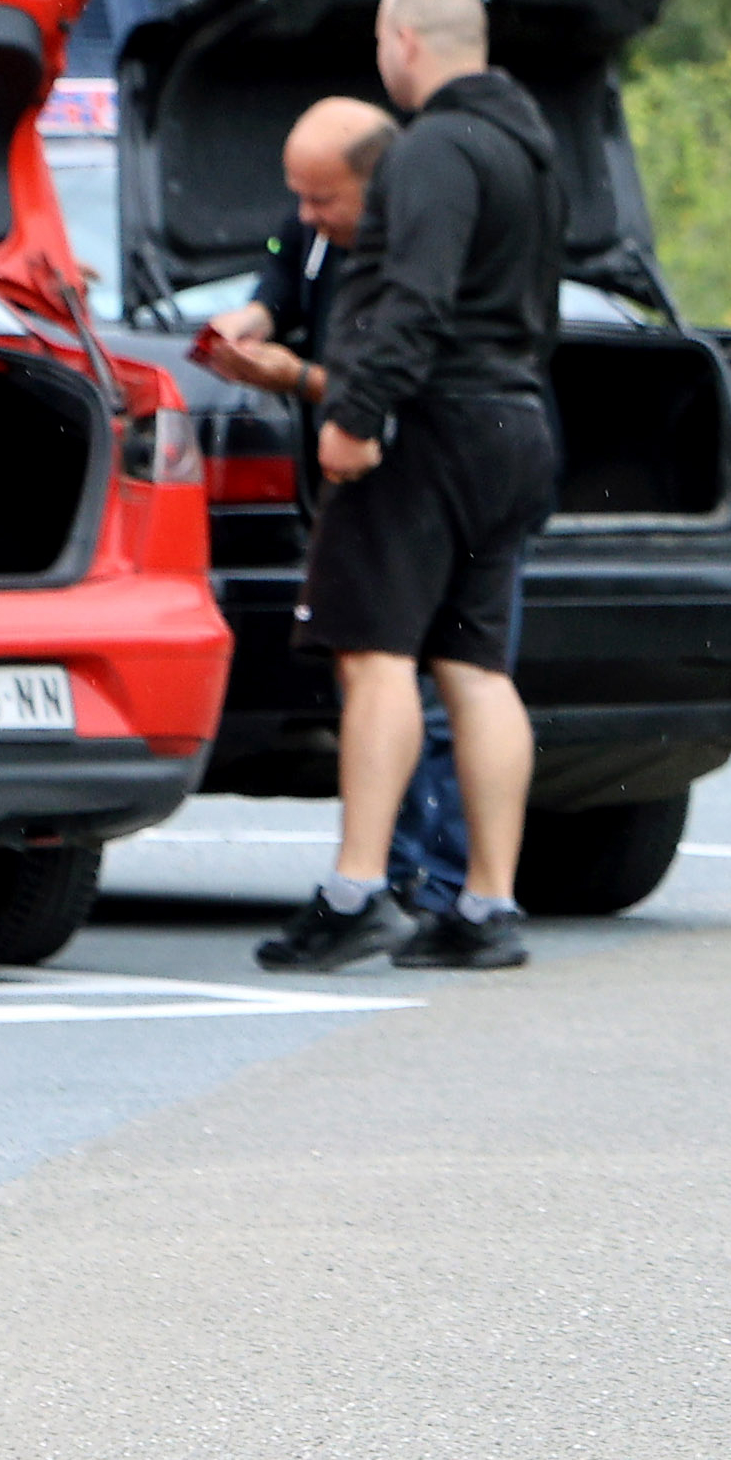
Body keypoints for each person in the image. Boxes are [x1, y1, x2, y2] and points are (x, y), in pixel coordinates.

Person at [257, 0, 568, 975]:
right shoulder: (531, 145)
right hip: (513, 419)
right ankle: (487, 903)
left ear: (404, 39)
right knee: (477, 668)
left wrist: (355, 414)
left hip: (426, 429)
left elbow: (415, 297)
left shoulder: (433, 147)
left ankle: (357, 892)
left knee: (374, 653)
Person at [205, 99, 484, 924]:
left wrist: (294, 377)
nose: (304, 213)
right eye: (297, 193)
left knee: (426, 680)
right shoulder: (316, 228)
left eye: (322, 197)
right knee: (379, 677)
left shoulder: (417, 252)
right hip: (352, 476)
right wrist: (254, 315)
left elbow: (396, 383)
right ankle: (396, 871)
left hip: (422, 471)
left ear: (380, 184)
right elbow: (284, 260)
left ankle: (431, 881)